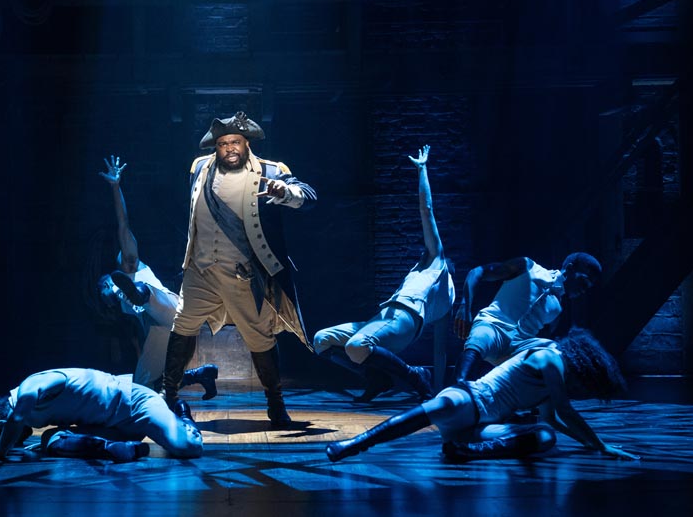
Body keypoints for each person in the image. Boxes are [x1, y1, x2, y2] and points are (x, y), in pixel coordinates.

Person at [161, 111, 316, 427]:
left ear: (247, 143)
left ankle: (276, 404)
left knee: (259, 337)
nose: (229, 148)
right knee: (182, 326)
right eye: (223, 143)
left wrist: (285, 193)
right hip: (200, 271)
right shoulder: (200, 168)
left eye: (235, 141)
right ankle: (169, 398)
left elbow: (308, 195)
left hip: (243, 275)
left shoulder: (271, 172)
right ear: (215, 148)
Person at [325, 328, 639, 463]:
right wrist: (600, 445)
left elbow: (552, 419)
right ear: (585, 366)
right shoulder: (550, 359)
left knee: (544, 435)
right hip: (469, 400)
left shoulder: (552, 374)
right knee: (431, 410)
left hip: (480, 427)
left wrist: (591, 446)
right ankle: (353, 445)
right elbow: (566, 410)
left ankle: (465, 450)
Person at [313, 145, 453, 402]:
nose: (426, 248)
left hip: (405, 319)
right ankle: (376, 378)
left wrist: (422, 170)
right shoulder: (422, 272)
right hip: (384, 320)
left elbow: (427, 211)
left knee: (356, 346)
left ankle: (414, 376)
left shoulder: (438, 262)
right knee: (321, 340)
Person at [96, 155, 218, 398]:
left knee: (143, 293)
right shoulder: (122, 303)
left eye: (107, 286)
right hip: (158, 329)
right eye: (105, 290)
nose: (106, 291)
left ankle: (141, 293)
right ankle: (203, 374)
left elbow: (123, 223)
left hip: (169, 308)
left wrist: (115, 187)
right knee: (143, 390)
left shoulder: (130, 263)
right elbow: (141, 332)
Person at [0, 368, 203, 462]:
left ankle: (183, 418)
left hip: (135, 404)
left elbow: (17, 418)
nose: (20, 442)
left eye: (15, 441)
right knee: (50, 441)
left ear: (4, 425)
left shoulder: (31, 387)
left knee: (189, 449)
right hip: (114, 425)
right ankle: (125, 448)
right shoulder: (26, 409)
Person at [452, 251, 602, 385]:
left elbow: (539, 341)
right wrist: (465, 307)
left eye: (587, 288)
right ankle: (456, 389)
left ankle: (538, 409)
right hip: (493, 325)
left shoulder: (557, 309)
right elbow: (477, 272)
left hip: (516, 348)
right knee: (482, 338)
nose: (583, 290)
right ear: (569, 268)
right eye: (583, 281)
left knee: (554, 351)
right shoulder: (528, 267)